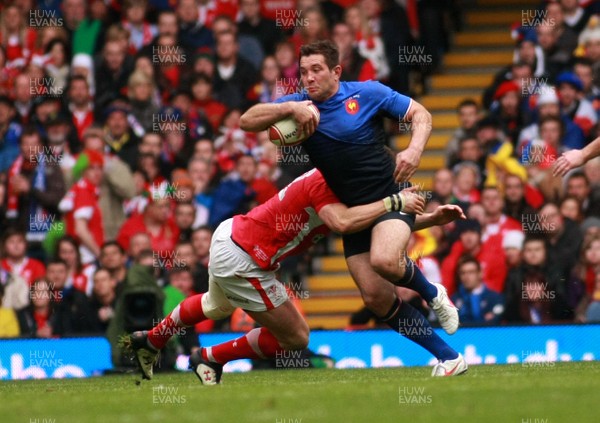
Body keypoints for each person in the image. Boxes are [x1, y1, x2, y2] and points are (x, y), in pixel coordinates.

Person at [239, 40, 465, 374]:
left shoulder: (367, 93)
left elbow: (421, 114)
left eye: (317, 70)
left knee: (385, 260)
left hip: (393, 193)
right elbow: (247, 120)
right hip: (357, 211)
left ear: (336, 71)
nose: (309, 78)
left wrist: (415, 150)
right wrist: (289, 109)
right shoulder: (301, 104)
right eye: (303, 72)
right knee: (376, 298)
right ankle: (449, 358)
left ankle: (432, 293)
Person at [128, 167, 466, 383]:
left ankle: (155, 339)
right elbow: (347, 223)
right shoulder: (327, 186)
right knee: (297, 338)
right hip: (246, 260)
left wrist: (430, 219)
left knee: (215, 306)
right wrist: (396, 201)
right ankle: (212, 357)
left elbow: (371, 223)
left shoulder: (339, 183)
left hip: (231, 234)